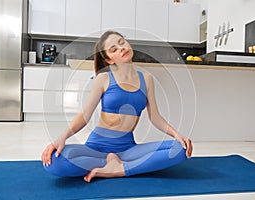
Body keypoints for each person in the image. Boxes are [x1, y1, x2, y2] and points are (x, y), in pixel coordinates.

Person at [41, 30, 193, 183]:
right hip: (97, 148)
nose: (121, 48)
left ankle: (118, 169)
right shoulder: (103, 78)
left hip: (128, 150)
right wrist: (61, 138)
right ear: (109, 60)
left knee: (179, 149)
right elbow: (85, 115)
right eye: (113, 49)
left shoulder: (146, 79)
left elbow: (155, 117)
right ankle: (115, 164)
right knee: (54, 162)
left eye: (122, 42)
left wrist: (177, 135)